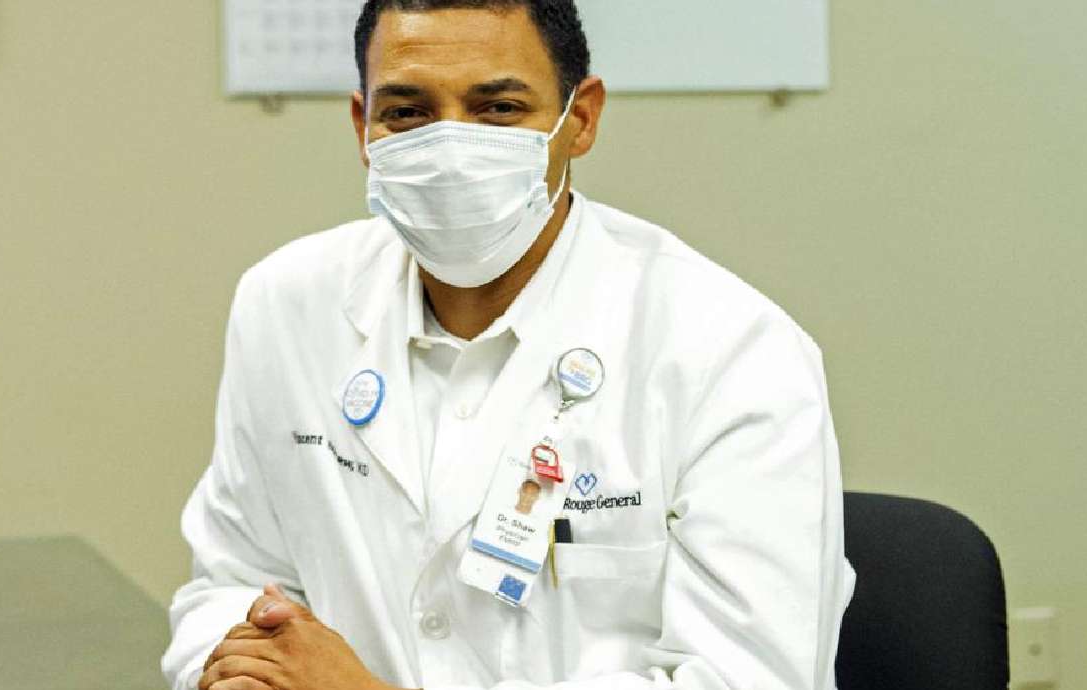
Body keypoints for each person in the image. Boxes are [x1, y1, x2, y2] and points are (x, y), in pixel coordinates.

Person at [162, 1, 854, 689]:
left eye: (497, 109)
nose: (450, 147)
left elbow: (751, 680)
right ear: (361, 126)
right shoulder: (286, 304)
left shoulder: (732, 350)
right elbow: (228, 584)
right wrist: (240, 671)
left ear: (579, 118)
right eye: (407, 112)